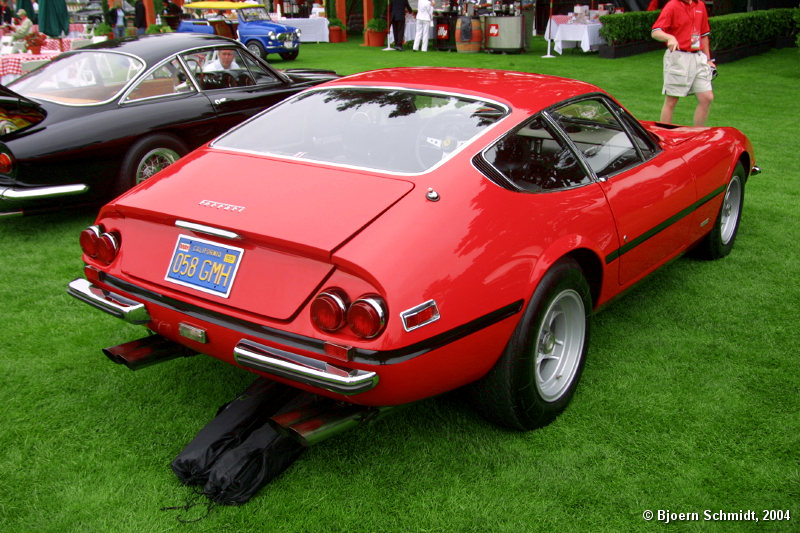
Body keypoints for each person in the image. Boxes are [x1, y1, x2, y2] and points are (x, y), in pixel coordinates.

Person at [651, 0, 715, 126]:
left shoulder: (700, 5)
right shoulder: (672, 5)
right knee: (672, 100)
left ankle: (697, 132)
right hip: (678, 57)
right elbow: (655, 32)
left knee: (707, 97)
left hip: (698, 57)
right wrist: (670, 37)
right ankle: (664, 133)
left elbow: (703, 35)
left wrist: (708, 59)